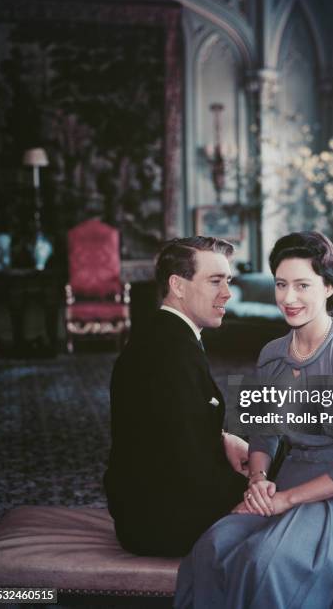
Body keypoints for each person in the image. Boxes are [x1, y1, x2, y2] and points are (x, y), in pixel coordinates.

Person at [175, 231, 333, 609]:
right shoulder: (271, 356)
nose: (288, 298)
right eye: (281, 284)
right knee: (212, 547)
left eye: (302, 285)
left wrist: (286, 499)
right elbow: (263, 433)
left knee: (269, 563)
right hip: (287, 484)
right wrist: (257, 481)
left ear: (329, 289)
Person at [104, 236, 248, 557]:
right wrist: (256, 488)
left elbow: (167, 426)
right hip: (161, 522)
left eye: (228, 281)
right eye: (215, 281)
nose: (227, 293)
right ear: (178, 286)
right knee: (298, 520)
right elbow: (188, 469)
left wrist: (222, 438)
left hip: (153, 505)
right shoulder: (170, 352)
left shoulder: (167, 334)